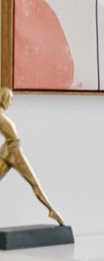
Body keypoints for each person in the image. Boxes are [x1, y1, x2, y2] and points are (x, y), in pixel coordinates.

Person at [0, 87, 65, 225]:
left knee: (34, 183)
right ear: (3, 98)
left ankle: (51, 210)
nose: (11, 103)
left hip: (9, 149)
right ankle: (51, 210)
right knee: (34, 183)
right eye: (10, 99)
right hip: (13, 150)